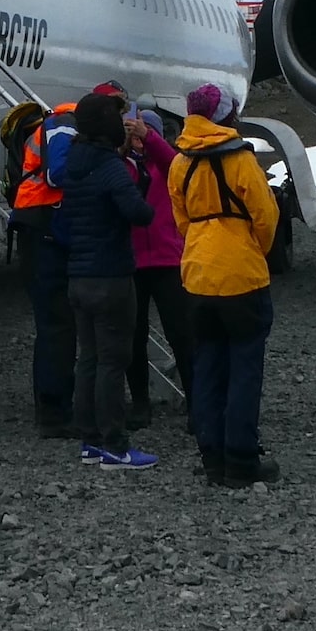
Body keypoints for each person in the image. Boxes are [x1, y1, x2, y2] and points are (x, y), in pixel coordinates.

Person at [170, 83, 281, 487]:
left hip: (197, 273)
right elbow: (266, 216)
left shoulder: (180, 162)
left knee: (208, 366)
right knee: (245, 368)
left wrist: (202, 243)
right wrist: (253, 250)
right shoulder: (240, 159)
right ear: (227, 116)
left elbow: (180, 218)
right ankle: (241, 460)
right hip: (240, 274)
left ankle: (212, 455)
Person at [58, 94, 157, 468]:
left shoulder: (75, 164)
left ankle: (90, 441)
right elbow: (140, 214)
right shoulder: (111, 166)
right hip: (111, 275)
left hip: (79, 275)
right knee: (114, 361)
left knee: (89, 358)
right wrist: (139, 177)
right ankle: (115, 445)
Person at [121, 107, 195, 428]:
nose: (138, 140)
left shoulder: (169, 167)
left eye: (145, 133)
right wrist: (124, 145)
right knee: (132, 337)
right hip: (133, 263)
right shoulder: (121, 166)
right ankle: (140, 403)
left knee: (182, 335)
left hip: (168, 261)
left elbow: (171, 158)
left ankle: (196, 402)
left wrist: (147, 135)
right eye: (134, 134)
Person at [10, 99, 80, 436]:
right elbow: (57, 175)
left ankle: (52, 406)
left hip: (38, 225)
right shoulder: (66, 125)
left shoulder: (58, 123)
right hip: (44, 225)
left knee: (54, 322)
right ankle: (54, 412)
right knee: (58, 323)